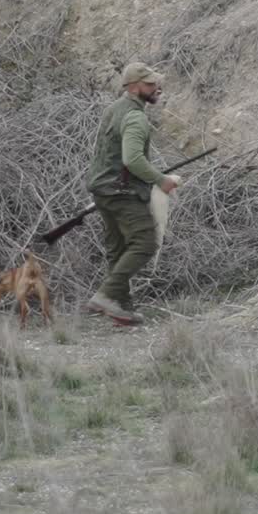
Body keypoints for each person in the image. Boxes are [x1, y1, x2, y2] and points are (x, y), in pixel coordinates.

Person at [86, 62, 178, 325]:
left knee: (117, 249)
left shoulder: (113, 109)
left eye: (156, 83)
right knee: (145, 242)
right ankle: (106, 296)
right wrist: (161, 180)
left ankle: (121, 308)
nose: (157, 88)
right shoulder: (136, 117)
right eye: (150, 84)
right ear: (135, 87)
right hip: (121, 192)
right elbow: (133, 159)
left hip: (103, 190)